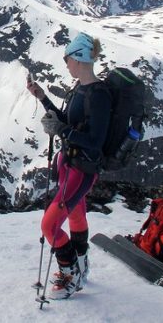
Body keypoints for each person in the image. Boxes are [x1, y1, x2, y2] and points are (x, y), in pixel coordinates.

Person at [26, 32, 110, 300]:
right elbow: (69, 122)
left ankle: (70, 273)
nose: (65, 63)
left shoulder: (98, 95)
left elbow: (95, 141)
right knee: (75, 215)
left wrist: (61, 128)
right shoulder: (81, 90)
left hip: (81, 169)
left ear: (80, 58)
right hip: (69, 164)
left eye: (67, 58)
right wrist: (42, 98)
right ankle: (82, 265)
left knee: (49, 226)